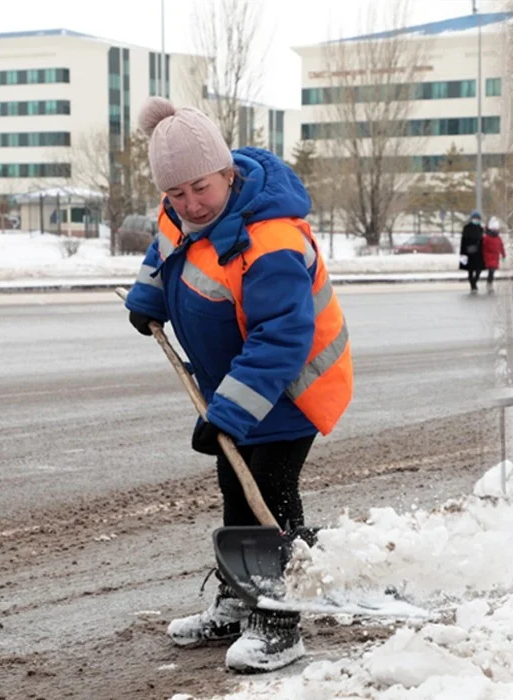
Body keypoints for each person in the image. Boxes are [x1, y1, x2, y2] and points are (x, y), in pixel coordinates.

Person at [123, 97, 353, 674]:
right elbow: (165, 249)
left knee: (269, 496)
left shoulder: (272, 238)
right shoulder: (181, 211)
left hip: (287, 389)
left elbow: (282, 338)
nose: (189, 204)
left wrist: (228, 411)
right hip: (238, 385)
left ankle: (279, 621)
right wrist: (148, 297)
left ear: (227, 172)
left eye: (200, 188)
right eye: (176, 194)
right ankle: (236, 601)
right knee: (234, 487)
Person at [460, 211, 486, 293]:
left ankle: (475, 281)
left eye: (477, 218)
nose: (476, 220)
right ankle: (473, 285)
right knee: (470, 270)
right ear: (471, 219)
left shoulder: (480, 228)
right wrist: (463, 253)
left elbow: (482, 240)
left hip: (479, 253)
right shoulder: (466, 228)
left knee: (479, 269)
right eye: (475, 218)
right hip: (469, 252)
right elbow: (463, 241)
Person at [482, 216, 507, 292]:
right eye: (494, 229)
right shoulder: (486, 237)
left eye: (496, 229)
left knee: (492, 271)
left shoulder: (498, 238)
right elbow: (482, 246)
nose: (495, 230)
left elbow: (501, 246)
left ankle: (489, 283)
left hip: (495, 257)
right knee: (491, 270)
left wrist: (503, 255)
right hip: (488, 256)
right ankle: (489, 284)